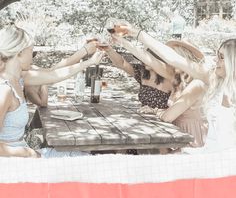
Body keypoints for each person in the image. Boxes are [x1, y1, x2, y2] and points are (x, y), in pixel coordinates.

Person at [0, 24, 103, 158]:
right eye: (31, 51)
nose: (33, 56)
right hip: (16, 165)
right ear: (19, 53)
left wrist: (89, 61)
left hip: (25, 156)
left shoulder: (20, 78)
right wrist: (28, 154)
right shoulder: (4, 90)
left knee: (86, 157)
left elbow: (54, 75)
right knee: (85, 161)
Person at [108, 32, 208, 147]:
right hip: (172, 132)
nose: (166, 60)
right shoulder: (177, 78)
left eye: (170, 57)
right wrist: (121, 41)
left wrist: (155, 110)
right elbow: (150, 61)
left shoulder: (197, 83)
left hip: (189, 138)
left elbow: (167, 116)